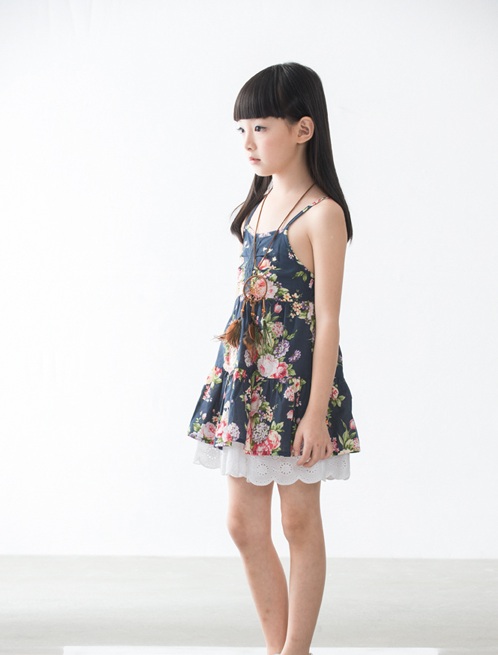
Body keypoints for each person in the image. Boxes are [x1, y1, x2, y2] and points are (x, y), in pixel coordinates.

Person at [188, 62, 360, 655]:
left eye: (260, 128)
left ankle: (295, 649)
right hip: (247, 383)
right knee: (242, 524)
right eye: (242, 130)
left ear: (303, 129)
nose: (248, 143)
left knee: (297, 522)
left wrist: (316, 413)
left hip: (295, 387)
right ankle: (277, 647)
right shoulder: (261, 204)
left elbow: (327, 320)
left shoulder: (322, 214)